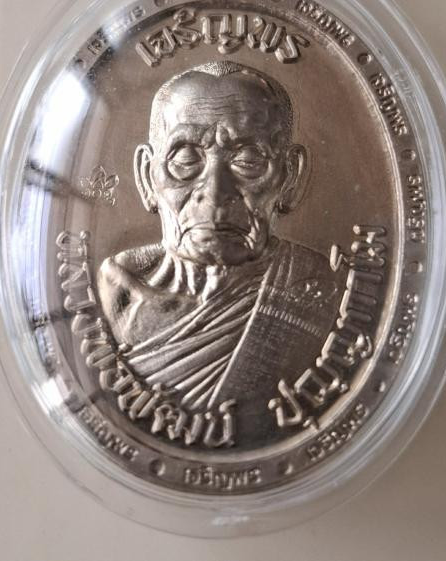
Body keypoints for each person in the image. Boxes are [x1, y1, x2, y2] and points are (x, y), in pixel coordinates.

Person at [97, 60, 342, 430]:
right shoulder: (117, 292)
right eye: (185, 159)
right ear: (148, 177)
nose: (214, 193)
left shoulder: (320, 291)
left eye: (248, 160)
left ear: (290, 176)